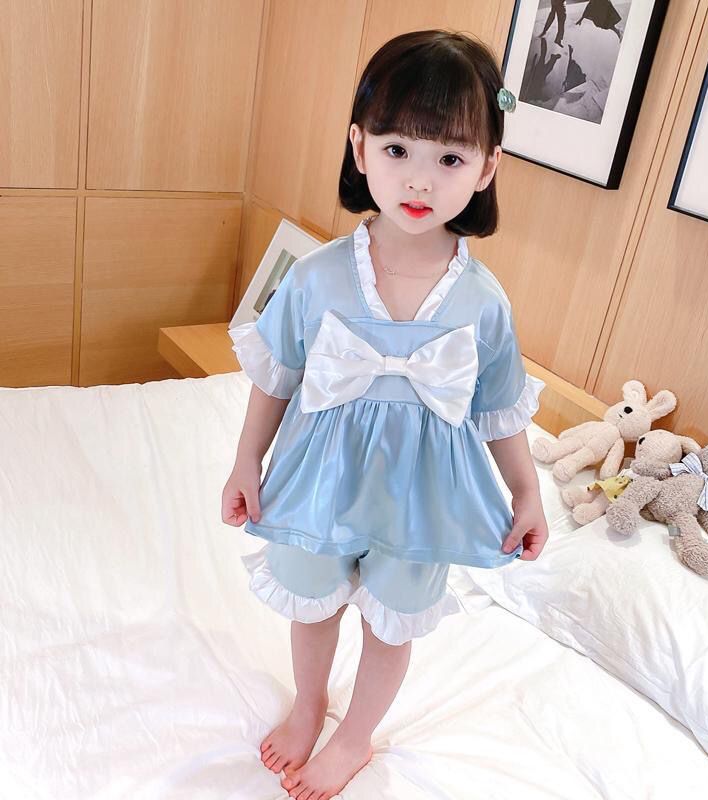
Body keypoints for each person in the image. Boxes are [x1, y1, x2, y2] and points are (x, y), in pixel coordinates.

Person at [223, 29, 550, 800]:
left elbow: (499, 411)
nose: (420, 179)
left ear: (488, 167)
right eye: (398, 148)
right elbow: (275, 378)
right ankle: (310, 705)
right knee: (312, 602)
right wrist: (245, 461)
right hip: (322, 479)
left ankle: (355, 738)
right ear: (359, 146)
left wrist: (528, 492)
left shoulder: (485, 304)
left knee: (391, 618)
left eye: (450, 158)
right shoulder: (316, 277)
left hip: (421, 496)